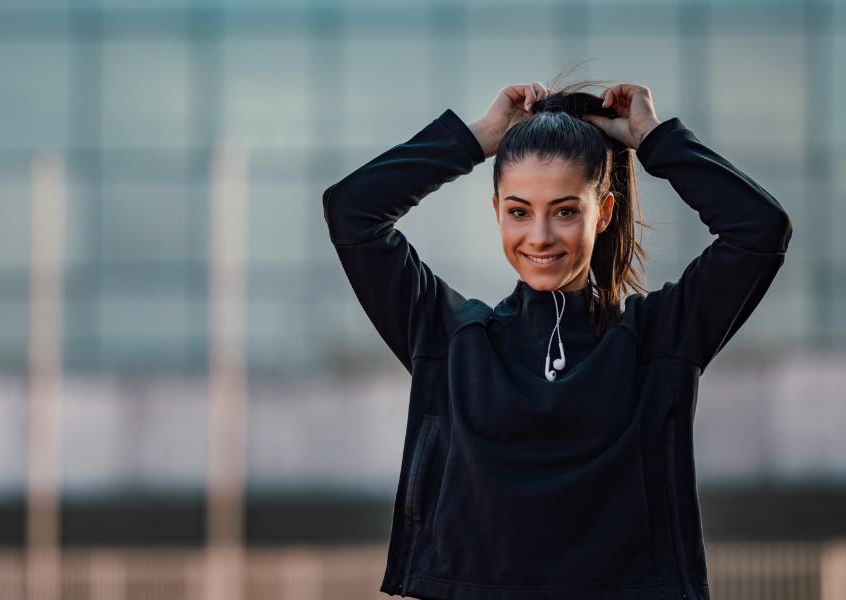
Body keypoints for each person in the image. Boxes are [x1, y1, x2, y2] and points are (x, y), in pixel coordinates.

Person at [322, 79, 791, 600]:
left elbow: (760, 230)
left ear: (604, 213)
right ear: (496, 211)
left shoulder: (659, 339)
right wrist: (479, 137)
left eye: (565, 210)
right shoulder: (453, 339)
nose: (540, 236)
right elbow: (352, 211)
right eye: (519, 211)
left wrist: (653, 137)